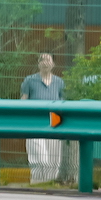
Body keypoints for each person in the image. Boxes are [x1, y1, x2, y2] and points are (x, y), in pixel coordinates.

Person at [21, 53, 65, 184]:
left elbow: (63, 103)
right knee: (40, 158)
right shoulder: (29, 80)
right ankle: (37, 184)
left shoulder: (59, 82)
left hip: (54, 125)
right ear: (38, 64)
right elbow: (23, 100)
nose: (45, 62)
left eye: (48, 60)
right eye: (42, 60)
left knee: (54, 161)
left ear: (53, 64)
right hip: (35, 125)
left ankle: (50, 185)